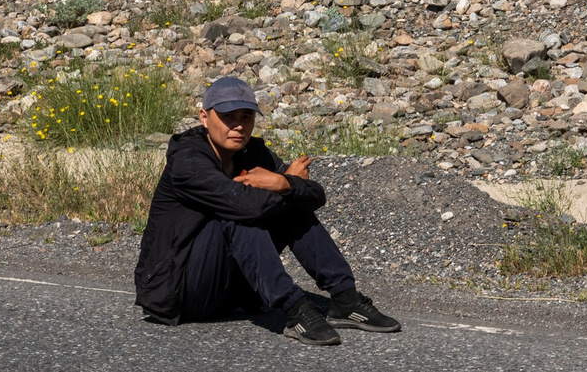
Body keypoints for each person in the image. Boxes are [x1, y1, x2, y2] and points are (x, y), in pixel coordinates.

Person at [132, 75, 401, 342]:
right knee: (242, 215)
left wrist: (284, 183)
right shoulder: (188, 161)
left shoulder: (253, 152)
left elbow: (316, 195)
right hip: (178, 291)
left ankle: (345, 299)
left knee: (289, 204)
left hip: (232, 291)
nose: (238, 126)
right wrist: (286, 185)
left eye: (246, 117)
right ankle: (296, 310)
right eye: (228, 117)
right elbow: (244, 206)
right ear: (204, 118)